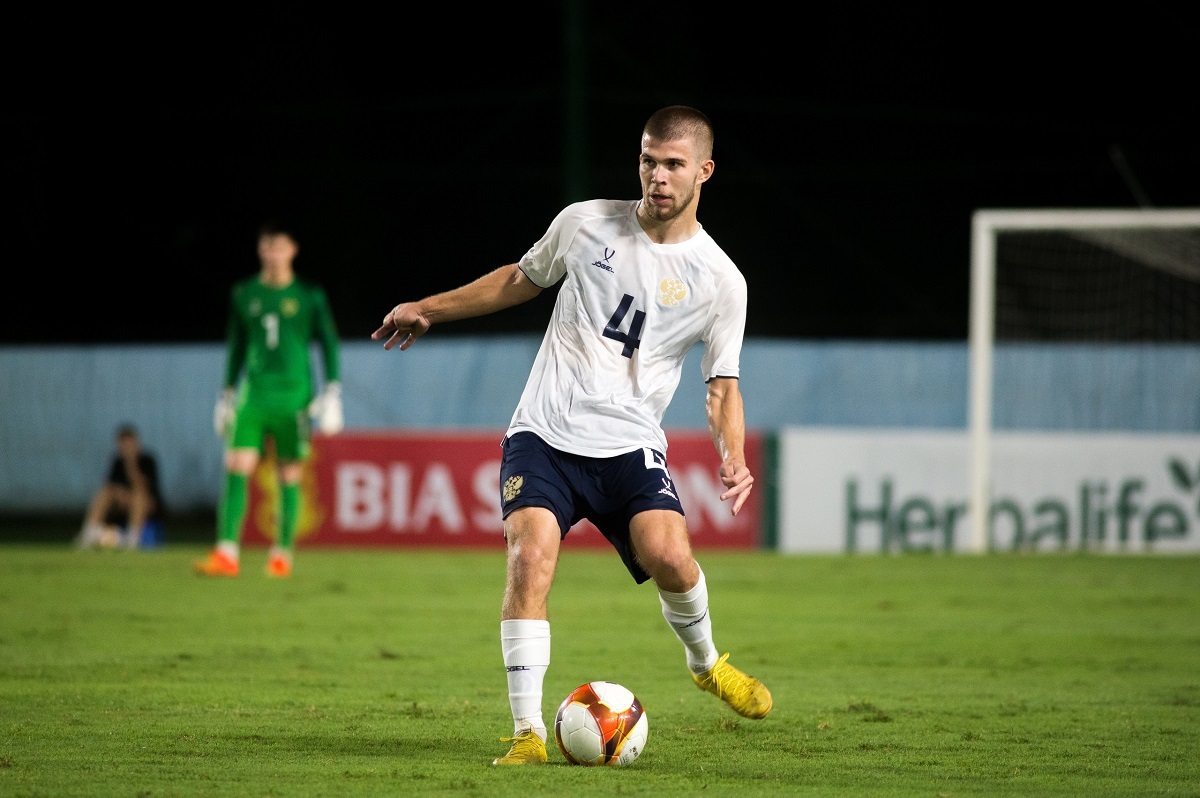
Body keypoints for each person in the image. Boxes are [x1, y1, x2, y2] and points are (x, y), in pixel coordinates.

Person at [372, 105, 772, 765]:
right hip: (545, 435)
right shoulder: (585, 223)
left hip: (630, 443)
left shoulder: (722, 280)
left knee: (671, 557)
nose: (658, 176)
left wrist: (732, 453)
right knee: (530, 559)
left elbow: (722, 385)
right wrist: (428, 308)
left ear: (704, 170)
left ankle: (705, 663)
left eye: (673, 164)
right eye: (648, 159)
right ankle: (529, 733)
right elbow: (516, 281)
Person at [195, 218, 343, 579]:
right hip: (254, 394)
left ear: (292, 250)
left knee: (288, 473)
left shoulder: (309, 295)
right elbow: (237, 345)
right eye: (267, 248)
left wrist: (332, 391)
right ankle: (227, 552)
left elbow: (328, 341)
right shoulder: (244, 293)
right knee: (236, 464)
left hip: (294, 396)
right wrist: (227, 392)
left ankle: (281, 554)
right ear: (260, 251)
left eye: (279, 247)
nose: (273, 255)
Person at [76, 424, 165, 549]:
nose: (126, 448)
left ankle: (133, 539)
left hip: (147, 505)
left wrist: (131, 463)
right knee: (105, 492)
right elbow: (110, 485)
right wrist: (120, 494)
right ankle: (89, 533)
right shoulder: (117, 462)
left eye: (129, 444)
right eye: (123, 445)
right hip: (122, 505)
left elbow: (142, 487)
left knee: (139, 496)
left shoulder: (148, 460)